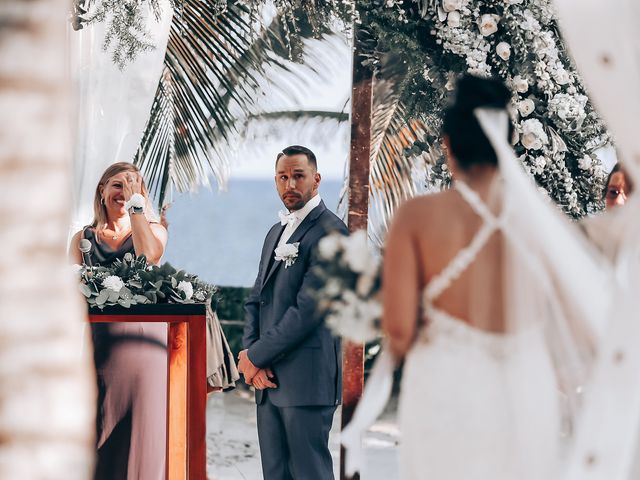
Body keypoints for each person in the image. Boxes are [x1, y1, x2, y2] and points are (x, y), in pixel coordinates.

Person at [379, 75, 600, 480]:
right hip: (525, 395)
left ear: (447, 143)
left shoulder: (417, 217)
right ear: (507, 142)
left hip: (444, 393)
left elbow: (398, 330)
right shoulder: (542, 222)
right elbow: (578, 328)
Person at [239, 145, 348, 480]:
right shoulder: (275, 232)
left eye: (298, 176)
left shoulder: (332, 232)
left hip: (307, 379)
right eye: (283, 177)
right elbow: (257, 298)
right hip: (268, 380)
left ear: (316, 180)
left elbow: (308, 311)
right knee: (275, 474)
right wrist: (249, 355)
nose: (290, 184)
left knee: (309, 472)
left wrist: (255, 355)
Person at [70, 162, 168, 480]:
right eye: (117, 184)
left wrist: (136, 206)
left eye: (131, 184)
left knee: (141, 434)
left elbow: (148, 255)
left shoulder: (154, 229)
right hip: (97, 349)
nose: (123, 191)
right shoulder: (81, 238)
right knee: (95, 434)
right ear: (102, 190)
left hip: (143, 347)